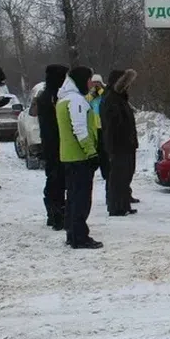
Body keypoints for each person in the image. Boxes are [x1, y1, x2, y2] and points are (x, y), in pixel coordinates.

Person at [58, 66, 102, 249]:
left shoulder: (64, 99)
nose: (90, 83)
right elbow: (80, 128)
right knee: (81, 199)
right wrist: (91, 152)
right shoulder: (76, 101)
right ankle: (80, 237)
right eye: (89, 79)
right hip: (79, 157)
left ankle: (72, 233)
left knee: (73, 197)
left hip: (69, 156)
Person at [100, 69, 139, 216]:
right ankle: (116, 206)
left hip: (126, 144)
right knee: (118, 176)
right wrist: (112, 147)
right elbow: (111, 126)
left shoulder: (120, 99)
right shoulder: (111, 99)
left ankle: (123, 203)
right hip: (118, 145)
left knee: (125, 175)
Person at [37, 64, 69, 229]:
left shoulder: (49, 95)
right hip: (54, 143)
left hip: (53, 142)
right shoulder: (50, 97)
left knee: (56, 179)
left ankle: (55, 212)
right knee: (55, 179)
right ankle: (55, 213)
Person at [88, 74, 109, 183]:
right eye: (94, 83)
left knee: (104, 151)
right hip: (94, 127)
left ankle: (105, 171)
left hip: (103, 126)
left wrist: (100, 91)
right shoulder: (90, 94)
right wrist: (92, 94)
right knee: (98, 152)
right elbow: (86, 102)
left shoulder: (104, 93)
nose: (96, 85)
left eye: (98, 83)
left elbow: (106, 99)